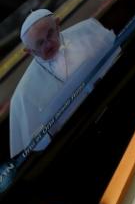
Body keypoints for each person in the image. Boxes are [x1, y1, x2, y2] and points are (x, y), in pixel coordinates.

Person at [9, 9, 118, 157]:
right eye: (40, 43)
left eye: (50, 34)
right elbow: (33, 146)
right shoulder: (22, 95)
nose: (48, 44)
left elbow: (116, 57)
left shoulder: (87, 32)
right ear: (29, 51)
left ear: (58, 25)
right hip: (77, 142)